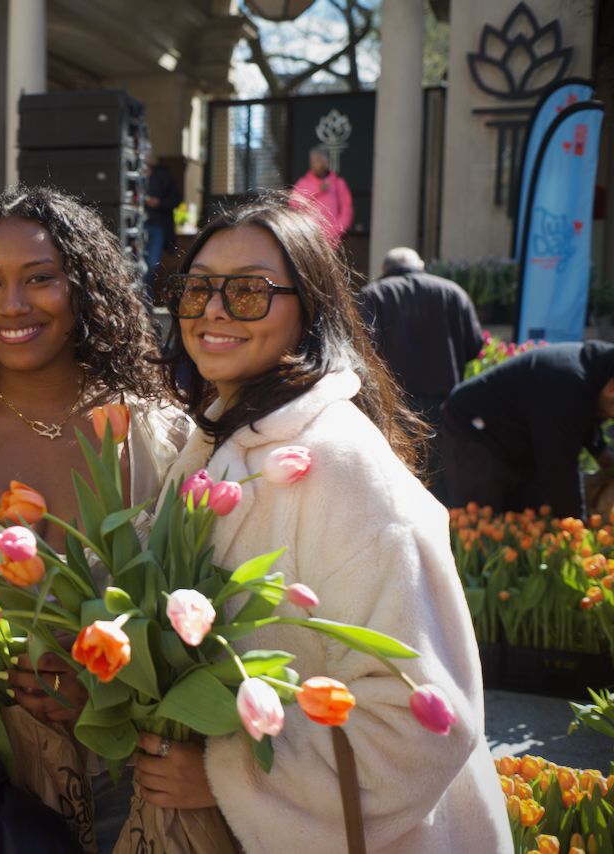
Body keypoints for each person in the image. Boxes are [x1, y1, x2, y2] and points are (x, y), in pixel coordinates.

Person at [149, 195, 510, 852]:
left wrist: (223, 775)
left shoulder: (338, 464)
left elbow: (424, 721)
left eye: (250, 293)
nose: (215, 312)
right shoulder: (226, 436)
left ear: (308, 308)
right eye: (196, 290)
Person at [0, 186, 192, 852]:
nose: (12, 305)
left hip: (136, 790)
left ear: (82, 286)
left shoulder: (159, 435)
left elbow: (201, 612)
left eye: (40, 279)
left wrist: (110, 693)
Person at [357, 247, 483, 501]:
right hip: (445, 404)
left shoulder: (372, 295)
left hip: (395, 407)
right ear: (421, 265)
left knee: (399, 481)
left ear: (384, 270)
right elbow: (474, 345)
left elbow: (360, 350)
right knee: (442, 483)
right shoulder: (452, 292)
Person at [443, 340, 614, 518]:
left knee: (529, 514)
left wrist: (599, 449)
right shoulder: (567, 386)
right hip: (476, 428)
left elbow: (586, 415)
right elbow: (560, 470)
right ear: (612, 387)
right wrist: (577, 529)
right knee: (479, 519)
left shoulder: (593, 372)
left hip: (514, 436)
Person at [291, 146, 353, 245]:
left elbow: (347, 211)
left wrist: (334, 232)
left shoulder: (338, 183)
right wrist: (317, 190)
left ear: (326, 162)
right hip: (309, 240)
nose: (314, 165)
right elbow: (294, 204)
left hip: (332, 243)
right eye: (312, 162)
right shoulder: (303, 183)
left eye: (318, 161)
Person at [143, 162, 182, 285]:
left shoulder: (162, 175)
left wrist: (158, 202)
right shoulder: (129, 172)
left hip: (157, 226)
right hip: (137, 226)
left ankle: (145, 298)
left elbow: (176, 199)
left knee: (152, 265)